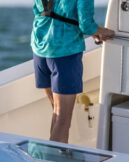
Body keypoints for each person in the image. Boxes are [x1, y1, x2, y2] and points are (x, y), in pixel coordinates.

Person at [32, 0, 114, 143]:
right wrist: (106, 32)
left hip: (40, 48)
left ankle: (58, 155)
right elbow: (87, 26)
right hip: (64, 52)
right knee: (62, 119)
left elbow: (37, 10)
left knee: (57, 113)